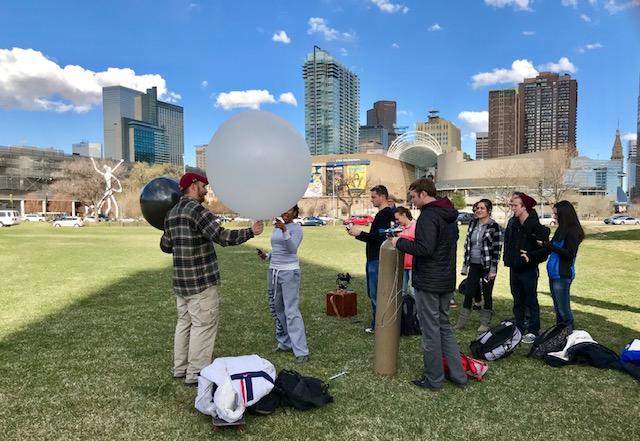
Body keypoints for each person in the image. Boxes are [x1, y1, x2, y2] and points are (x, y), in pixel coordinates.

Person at [160, 172, 264, 386]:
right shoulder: (198, 211)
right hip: (201, 282)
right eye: (203, 185)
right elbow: (222, 236)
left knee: (184, 324)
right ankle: (196, 374)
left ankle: (180, 368)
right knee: (203, 326)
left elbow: (165, 245)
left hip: (181, 283)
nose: (206, 190)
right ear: (193, 185)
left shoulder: (170, 214)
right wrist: (251, 232)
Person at [391, 178, 467, 391]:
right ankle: (458, 375)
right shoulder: (449, 214)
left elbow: (425, 248)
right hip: (445, 280)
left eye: (413, 197)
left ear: (424, 194)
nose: (412, 202)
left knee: (431, 330)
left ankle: (434, 378)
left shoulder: (428, 216)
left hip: (429, 281)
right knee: (444, 326)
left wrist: (400, 243)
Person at [256, 205, 309, 363]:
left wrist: (285, 230)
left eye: (289, 210)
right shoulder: (277, 227)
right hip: (274, 271)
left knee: (291, 311)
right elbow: (278, 249)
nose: (285, 213)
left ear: (295, 212)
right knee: (277, 309)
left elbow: (292, 249)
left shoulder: (296, 229)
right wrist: (267, 256)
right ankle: (284, 343)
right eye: (283, 210)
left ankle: (301, 351)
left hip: (289, 273)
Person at [347, 185, 396, 333]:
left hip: (377, 259)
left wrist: (359, 233)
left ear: (382, 197)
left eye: (374, 197)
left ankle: (379, 326)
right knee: (374, 292)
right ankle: (379, 324)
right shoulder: (382, 214)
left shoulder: (386, 214)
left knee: (376, 293)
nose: (371, 200)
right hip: (374, 258)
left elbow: (380, 238)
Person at [503, 192, 550, 344]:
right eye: (511, 204)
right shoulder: (513, 223)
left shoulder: (536, 226)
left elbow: (545, 249)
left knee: (530, 299)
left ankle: (533, 329)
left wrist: (531, 256)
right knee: (517, 299)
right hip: (514, 268)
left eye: (515, 205)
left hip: (528, 269)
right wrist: (509, 260)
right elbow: (508, 243)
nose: (512, 208)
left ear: (525, 207)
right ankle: (519, 327)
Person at [455, 199, 503, 333]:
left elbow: (497, 249)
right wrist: (465, 264)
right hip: (474, 264)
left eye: (482, 208)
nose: (478, 210)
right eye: (477, 208)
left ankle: (485, 322)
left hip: (487, 265)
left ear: (489, 210)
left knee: (487, 293)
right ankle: (462, 321)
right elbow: (467, 245)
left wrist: (493, 269)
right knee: (469, 292)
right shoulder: (472, 224)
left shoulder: (494, 226)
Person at [538, 200, 584, 329]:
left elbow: (570, 253)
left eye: (557, 214)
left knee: (564, 310)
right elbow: (550, 247)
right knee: (558, 309)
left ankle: (570, 336)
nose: (555, 217)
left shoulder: (573, 231)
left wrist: (550, 246)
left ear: (565, 214)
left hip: (562, 275)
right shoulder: (561, 230)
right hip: (553, 273)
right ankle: (560, 336)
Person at [395, 206, 416, 297]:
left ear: (404, 215)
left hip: (413, 265)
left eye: (397, 219)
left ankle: (417, 310)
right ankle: (404, 310)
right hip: (403, 265)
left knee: (412, 291)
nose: (397, 221)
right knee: (402, 291)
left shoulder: (415, 226)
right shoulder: (399, 229)